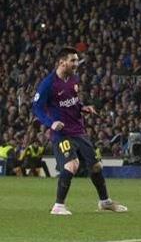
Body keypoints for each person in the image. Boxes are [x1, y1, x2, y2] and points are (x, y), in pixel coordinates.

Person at [32, 47, 127, 215]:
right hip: (62, 134)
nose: (76, 64)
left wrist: (83, 108)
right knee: (71, 165)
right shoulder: (48, 84)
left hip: (79, 131)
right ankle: (58, 206)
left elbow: (73, 102)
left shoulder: (73, 79)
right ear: (62, 62)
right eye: (73, 61)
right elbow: (37, 108)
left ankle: (105, 202)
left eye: (77, 60)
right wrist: (51, 123)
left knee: (96, 166)